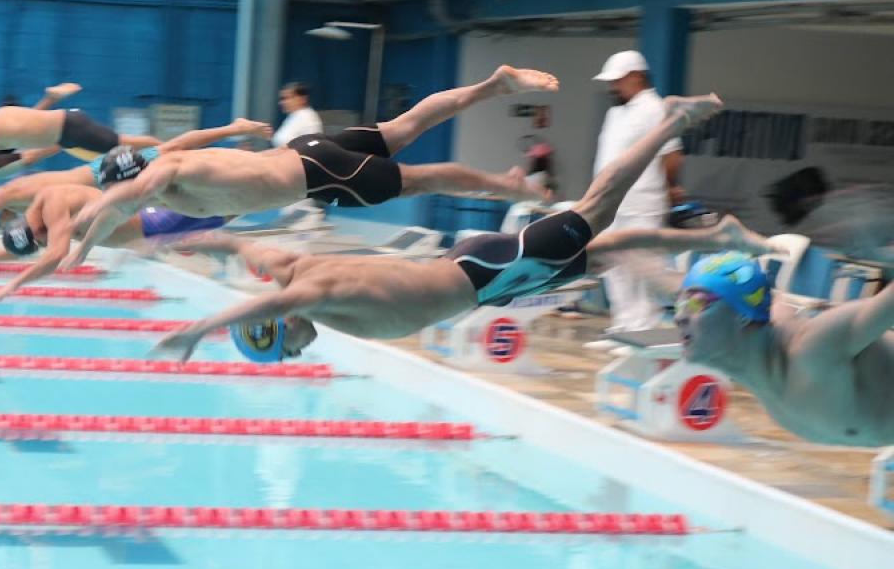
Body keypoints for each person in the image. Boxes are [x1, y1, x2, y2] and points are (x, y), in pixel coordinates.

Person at [144, 94, 722, 364]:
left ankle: (671, 120)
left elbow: (254, 303)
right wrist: (191, 239)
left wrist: (199, 331)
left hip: (486, 271)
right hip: (486, 278)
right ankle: (714, 244)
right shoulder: (294, 273)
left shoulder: (312, 293)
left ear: (278, 326)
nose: (296, 357)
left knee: (600, 211)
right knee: (607, 249)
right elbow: (243, 246)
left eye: (284, 352)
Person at [61, 66, 562, 269]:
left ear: (129, 180)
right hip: (307, 148)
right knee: (407, 125)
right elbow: (122, 203)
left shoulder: (156, 181)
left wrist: (80, 243)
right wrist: (83, 247)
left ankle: (506, 185)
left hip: (320, 176)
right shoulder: (170, 156)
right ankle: (492, 86)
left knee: (424, 179)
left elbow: (115, 204)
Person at [0, 118, 272, 241]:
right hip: (107, 178)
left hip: (105, 174)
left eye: (5, 223)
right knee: (185, 180)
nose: (10, 224)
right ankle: (247, 175)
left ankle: (243, 149)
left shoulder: (10, 193)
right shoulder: (28, 201)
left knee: (181, 160)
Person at [675, 252, 893, 447]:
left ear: (742, 315)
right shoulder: (749, 363)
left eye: (697, 303)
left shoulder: (816, 349)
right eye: (681, 304)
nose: (679, 317)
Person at [0, 184, 229, 301]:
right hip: (148, 232)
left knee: (230, 207)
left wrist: (12, 285)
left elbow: (56, 255)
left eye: (40, 242)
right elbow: (29, 249)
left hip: (154, 222)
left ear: (34, 230)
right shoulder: (39, 221)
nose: (44, 245)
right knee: (223, 211)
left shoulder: (53, 206)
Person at [589, 50, 685, 335]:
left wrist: (668, 188)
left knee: (641, 268)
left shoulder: (656, 109)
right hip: (611, 205)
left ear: (637, 77)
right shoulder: (615, 112)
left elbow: (673, 155)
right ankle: (622, 328)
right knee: (613, 267)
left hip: (643, 204)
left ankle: (642, 330)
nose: (613, 87)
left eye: (618, 81)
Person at [0, 95, 161, 211]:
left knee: (124, 142)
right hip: (67, 128)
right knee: (121, 145)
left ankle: (166, 150)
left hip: (70, 128)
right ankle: (164, 151)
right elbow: (29, 119)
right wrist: (51, 97)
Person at [271, 82, 323, 147]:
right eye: (282, 99)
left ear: (302, 99)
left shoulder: (307, 117)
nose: (281, 103)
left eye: (287, 98)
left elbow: (309, 148)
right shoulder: (294, 116)